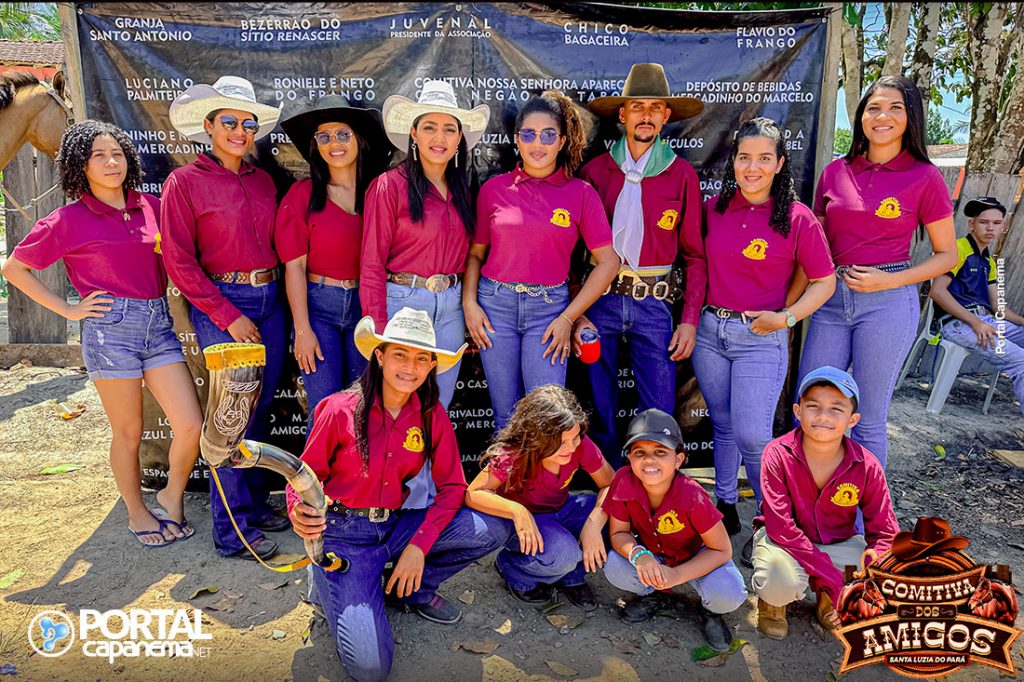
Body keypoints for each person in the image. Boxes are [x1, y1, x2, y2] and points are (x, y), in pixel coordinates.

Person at [2, 120, 202, 547]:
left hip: (159, 325)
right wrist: (70, 309)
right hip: (110, 331)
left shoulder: (153, 205)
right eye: (98, 155)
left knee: (190, 424)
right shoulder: (67, 219)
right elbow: (13, 269)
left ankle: (171, 494)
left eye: (117, 154)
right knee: (128, 432)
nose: (111, 162)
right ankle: (136, 511)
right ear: (80, 165)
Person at [287, 307, 504, 682]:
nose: (411, 366)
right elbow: (302, 478)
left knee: (491, 529)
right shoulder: (339, 409)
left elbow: (453, 487)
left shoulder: (431, 413)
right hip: (343, 536)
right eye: (400, 354)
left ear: (432, 365)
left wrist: (418, 546)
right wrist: (297, 511)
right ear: (380, 356)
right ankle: (333, 581)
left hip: (396, 526)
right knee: (370, 669)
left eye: (422, 358)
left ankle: (411, 589)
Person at [691, 117, 835, 564]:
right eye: (744, 157)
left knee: (754, 434)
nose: (752, 167)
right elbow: (696, 265)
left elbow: (824, 282)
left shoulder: (796, 217)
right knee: (722, 421)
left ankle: (771, 524)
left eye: (763, 159)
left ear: (779, 164)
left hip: (760, 337)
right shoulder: (714, 208)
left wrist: (786, 318)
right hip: (712, 332)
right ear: (733, 160)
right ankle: (727, 504)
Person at [799, 74, 957, 470]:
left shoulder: (924, 176)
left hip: (887, 302)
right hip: (829, 300)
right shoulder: (835, 171)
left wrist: (889, 279)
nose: (882, 116)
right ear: (860, 117)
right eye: (873, 107)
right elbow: (813, 241)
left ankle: (866, 521)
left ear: (911, 119)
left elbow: (946, 255)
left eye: (894, 108)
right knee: (815, 408)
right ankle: (810, 508)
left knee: (867, 419)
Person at [162, 75, 288, 560]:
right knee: (230, 417)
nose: (239, 130)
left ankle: (254, 504)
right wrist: (225, 314)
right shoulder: (184, 182)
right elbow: (178, 259)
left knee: (258, 410)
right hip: (224, 302)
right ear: (209, 126)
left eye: (248, 123)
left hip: (272, 299)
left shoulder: (263, 180)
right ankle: (231, 529)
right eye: (229, 122)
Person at [575, 63, 706, 463]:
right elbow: (571, 252)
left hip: (655, 305)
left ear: (666, 116)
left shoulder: (681, 175)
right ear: (622, 114)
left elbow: (696, 257)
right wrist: (577, 313)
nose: (646, 115)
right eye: (637, 106)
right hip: (601, 302)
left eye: (655, 107)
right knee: (599, 400)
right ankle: (608, 485)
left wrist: (689, 319)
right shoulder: (595, 172)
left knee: (659, 405)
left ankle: (655, 483)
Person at [465, 91, 619, 429]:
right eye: (529, 134)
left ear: (562, 140)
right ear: (516, 139)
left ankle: (544, 485)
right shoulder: (494, 190)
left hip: (549, 314)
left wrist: (569, 317)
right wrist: (470, 305)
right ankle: (502, 484)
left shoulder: (580, 193)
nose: (538, 143)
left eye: (548, 134)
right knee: (504, 415)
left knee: (547, 416)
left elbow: (608, 262)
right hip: (495, 309)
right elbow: (475, 255)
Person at [362, 79, 490, 409]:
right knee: (396, 408)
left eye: (449, 129)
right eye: (430, 127)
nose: (440, 137)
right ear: (414, 134)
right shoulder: (388, 186)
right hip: (401, 305)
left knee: (437, 406)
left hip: (449, 308)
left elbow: (472, 255)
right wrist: (378, 330)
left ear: (460, 138)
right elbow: (372, 263)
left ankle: (427, 465)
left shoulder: (463, 189)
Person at [752, 367, 898, 640]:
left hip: (839, 541)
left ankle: (829, 601)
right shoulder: (777, 454)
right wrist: (833, 579)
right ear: (797, 411)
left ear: (853, 419)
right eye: (813, 406)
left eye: (836, 409)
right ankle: (773, 604)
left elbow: (885, 533)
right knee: (778, 580)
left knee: (875, 584)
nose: (822, 416)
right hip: (785, 541)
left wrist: (861, 584)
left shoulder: (866, 465)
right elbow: (781, 528)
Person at [276, 95, 390, 433]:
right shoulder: (303, 195)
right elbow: (294, 268)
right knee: (324, 406)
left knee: (363, 404)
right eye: (323, 137)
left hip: (364, 309)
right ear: (315, 147)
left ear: (359, 139)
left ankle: (354, 486)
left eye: (342, 134)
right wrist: (302, 330)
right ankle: (313, 487)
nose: (333, 143)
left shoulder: (379, 192)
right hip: (318, 308)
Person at [601, 409, 747, 653]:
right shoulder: (623, 480)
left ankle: (709, 611)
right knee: (614, 565)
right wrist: (640, 555)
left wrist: (677, 575)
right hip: (655, 556)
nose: (649, 461)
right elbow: (618, 534)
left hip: (696, 558)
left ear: (678, 459)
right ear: (629, 458)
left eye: (660, 452)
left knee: (729, 591)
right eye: (640, 453)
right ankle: (656, 594)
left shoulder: (692, 495)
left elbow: (721, 550)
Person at [464, 385, 616, 609]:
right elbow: (472, 493)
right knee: (564, 554)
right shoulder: (514, 454)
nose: (572, 447)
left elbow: (610, 484)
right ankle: (514, 570)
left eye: (575, 438)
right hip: (529, 525)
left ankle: (573, 575)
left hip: (562, 509)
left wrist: (593, 524)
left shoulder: (578, 444)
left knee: (615, 512)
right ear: (537, 438)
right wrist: (517, 511)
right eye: (561, 442)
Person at [929, 196, 1024, 414]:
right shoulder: (958, 249)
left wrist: (1021, 321)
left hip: (986, 321)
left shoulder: (989, 262)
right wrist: (975, 323)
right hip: (958, 324)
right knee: (1021, 362)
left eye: (996, 223)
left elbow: (998, 307)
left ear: (1003, 227)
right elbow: (937, 292)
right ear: (972, 224)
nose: (990, 228)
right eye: (984, 222)